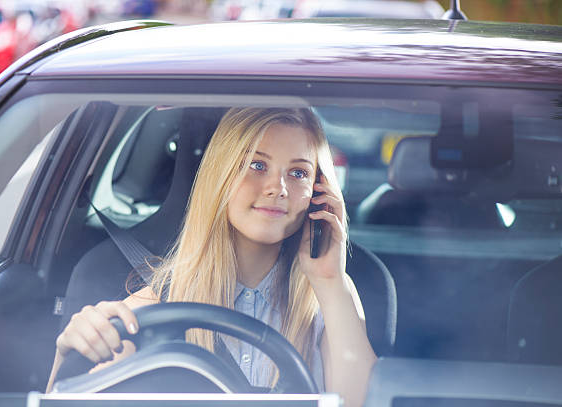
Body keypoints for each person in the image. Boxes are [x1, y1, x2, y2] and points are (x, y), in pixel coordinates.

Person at [46, 107, 376, 406]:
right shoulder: (153, 308)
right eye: (256, 165)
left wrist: (330, 280)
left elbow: (363, 403)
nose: (278, 188)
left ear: (320, 191)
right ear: (220, 175)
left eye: (299, 173)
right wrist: (68, 356)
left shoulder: (329, 302)